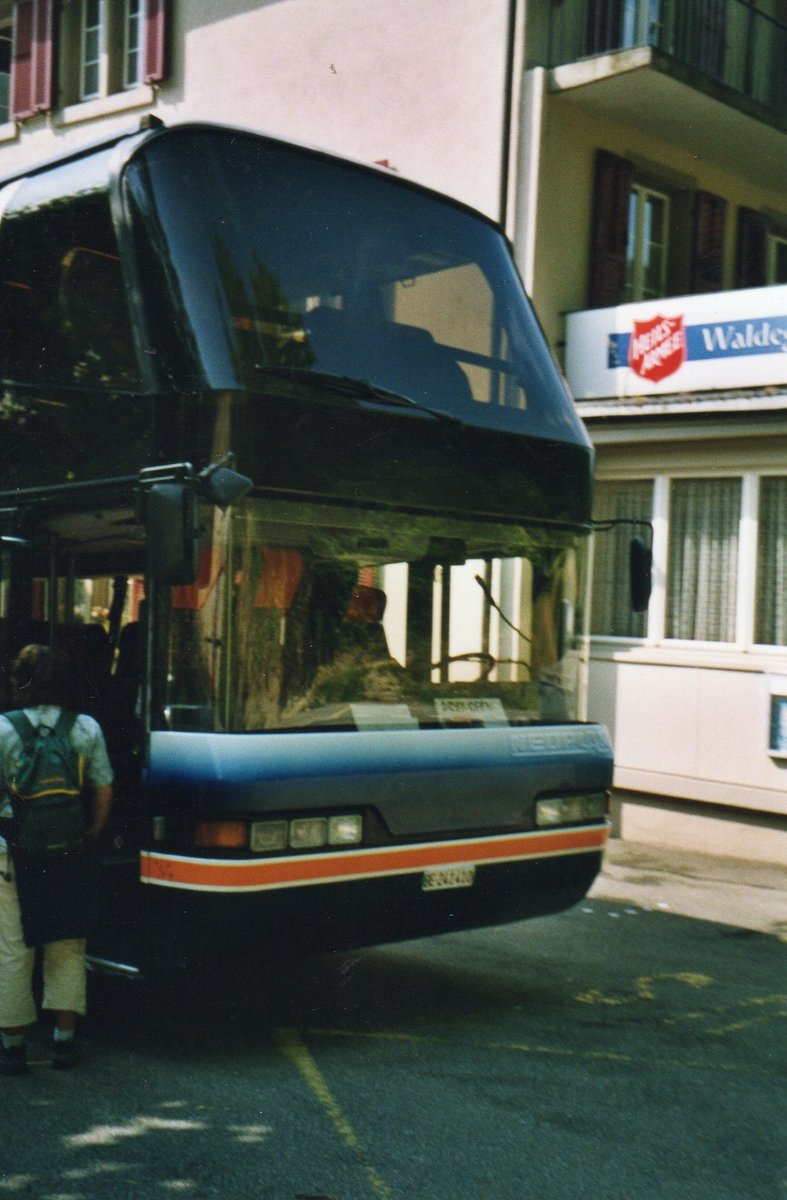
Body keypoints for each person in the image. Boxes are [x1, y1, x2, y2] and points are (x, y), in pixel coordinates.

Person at [0, 644, 113, 1076]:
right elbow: (103, 789)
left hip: (12, 851)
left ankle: (13, 1048)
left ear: (20, 681)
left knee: (13, 948)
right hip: (69, 851)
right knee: (66, 943)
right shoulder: (85, 728)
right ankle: (64, 1042)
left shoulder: (4, 729)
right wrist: (89, 835)